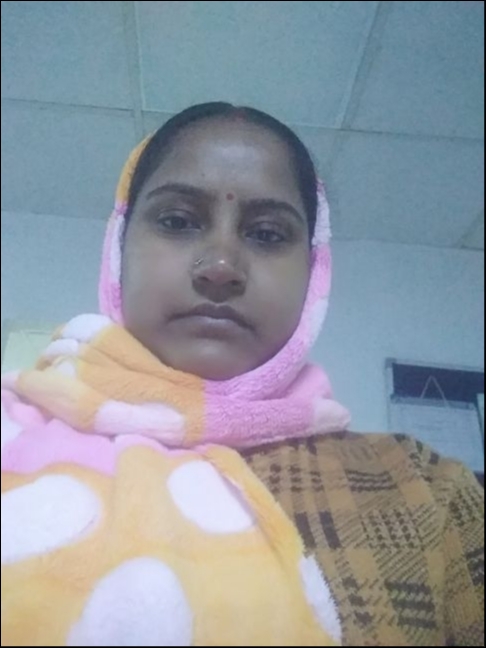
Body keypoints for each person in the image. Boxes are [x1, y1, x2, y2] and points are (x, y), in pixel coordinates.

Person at [1, 102, 483, 647]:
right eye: (177, 221)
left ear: (314, 272)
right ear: (119, 249)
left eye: (268, 233)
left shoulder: (421, 489)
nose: (221, 266)